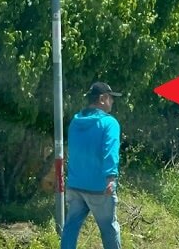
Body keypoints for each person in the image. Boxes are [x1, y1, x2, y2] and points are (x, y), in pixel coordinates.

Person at [61, 82, 123, 249]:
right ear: (102, 99)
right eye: (110, 98)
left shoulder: (75, 122)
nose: (112, 102)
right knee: (109, 229)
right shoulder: (110, 123)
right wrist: (111, 178)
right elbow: (110, 151)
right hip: (99, 188)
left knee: (70, 228)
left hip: (75, 185)